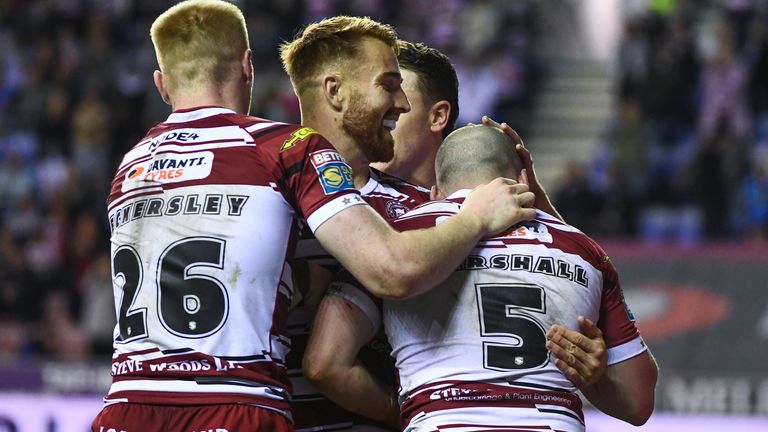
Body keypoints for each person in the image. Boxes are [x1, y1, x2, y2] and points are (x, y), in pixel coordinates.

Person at [90, 2, 537, 431]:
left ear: (161, 85)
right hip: (236, 402)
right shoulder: (283, 152)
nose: (399, 103)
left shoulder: (130, 166)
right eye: (388, 84)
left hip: (128, 403)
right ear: (248, 65)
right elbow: (391, 270)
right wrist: (476, 217)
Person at [310, 125, 658, 431]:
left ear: (435, 193)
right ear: (523, 181)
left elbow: (324, 363)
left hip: (443, 422)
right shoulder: (585, 251)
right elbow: (638, 402)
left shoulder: (397, 239)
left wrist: (397, 411)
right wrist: (593, 379)